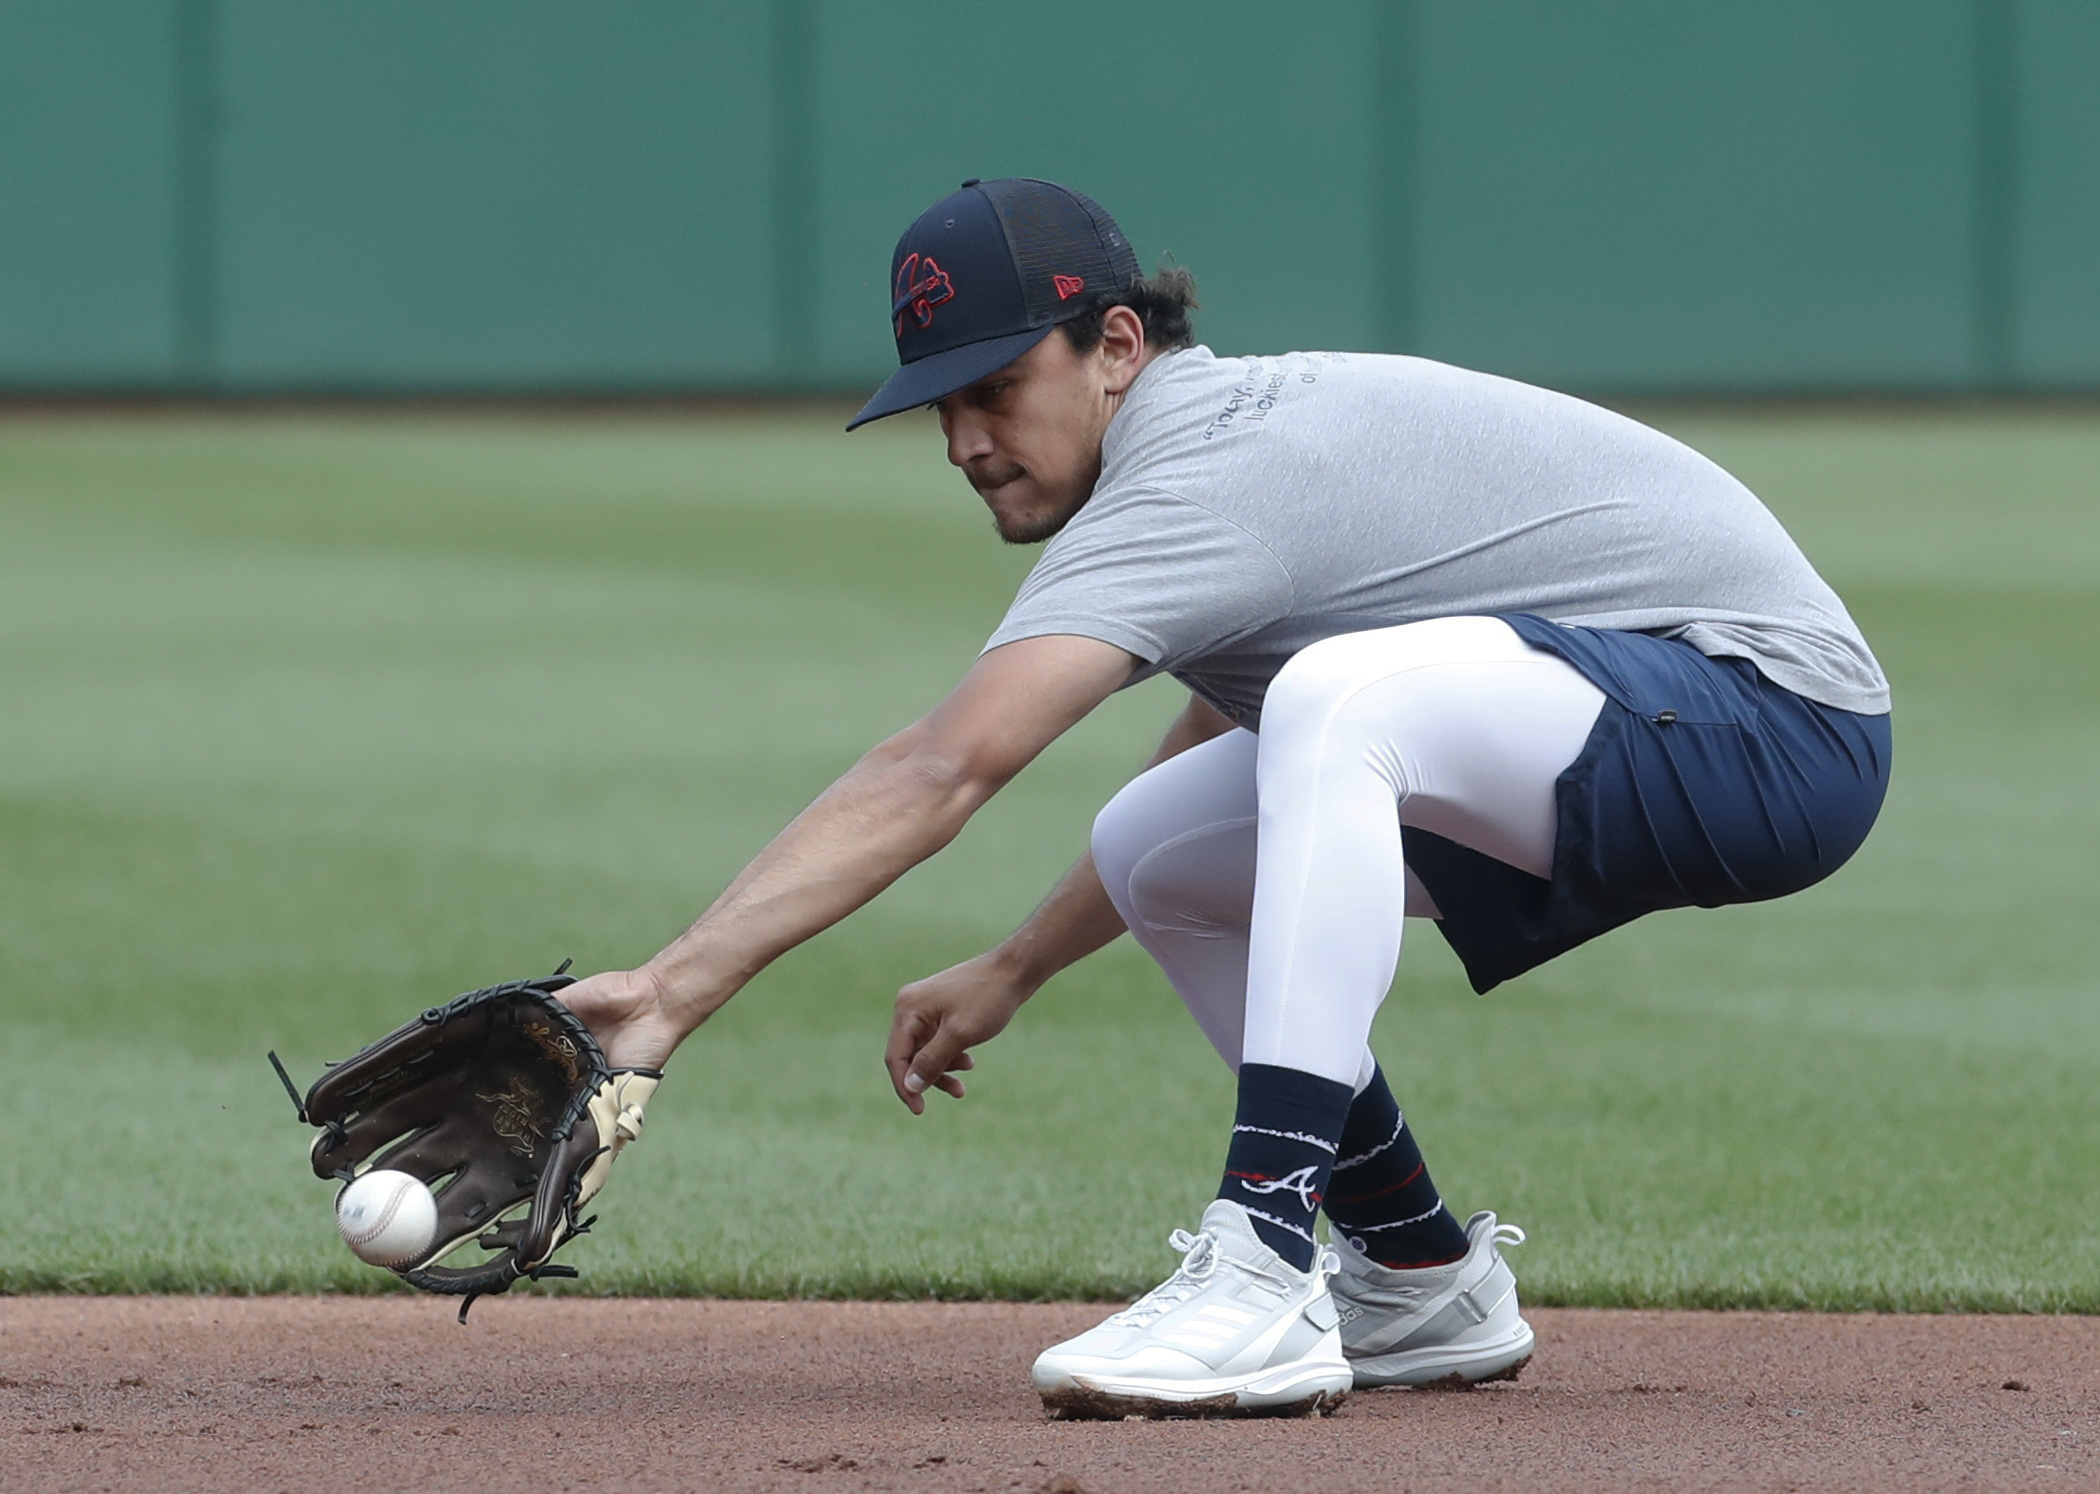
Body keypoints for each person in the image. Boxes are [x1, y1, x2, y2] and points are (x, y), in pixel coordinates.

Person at [562, 178, 1891, 1417]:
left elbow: (942, 763)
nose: (966, 439)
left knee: (1337, 704)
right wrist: (1021, 963)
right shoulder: (1203, 448)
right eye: (940, 405)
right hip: (1649, 715)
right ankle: (1417, 1273)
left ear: (1119, 346)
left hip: (1772, 718)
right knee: (1159, 844)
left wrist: (673, 987)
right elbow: (1232, 730)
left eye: (1000, 385)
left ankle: (1261, 1256)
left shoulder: (1202, 474)